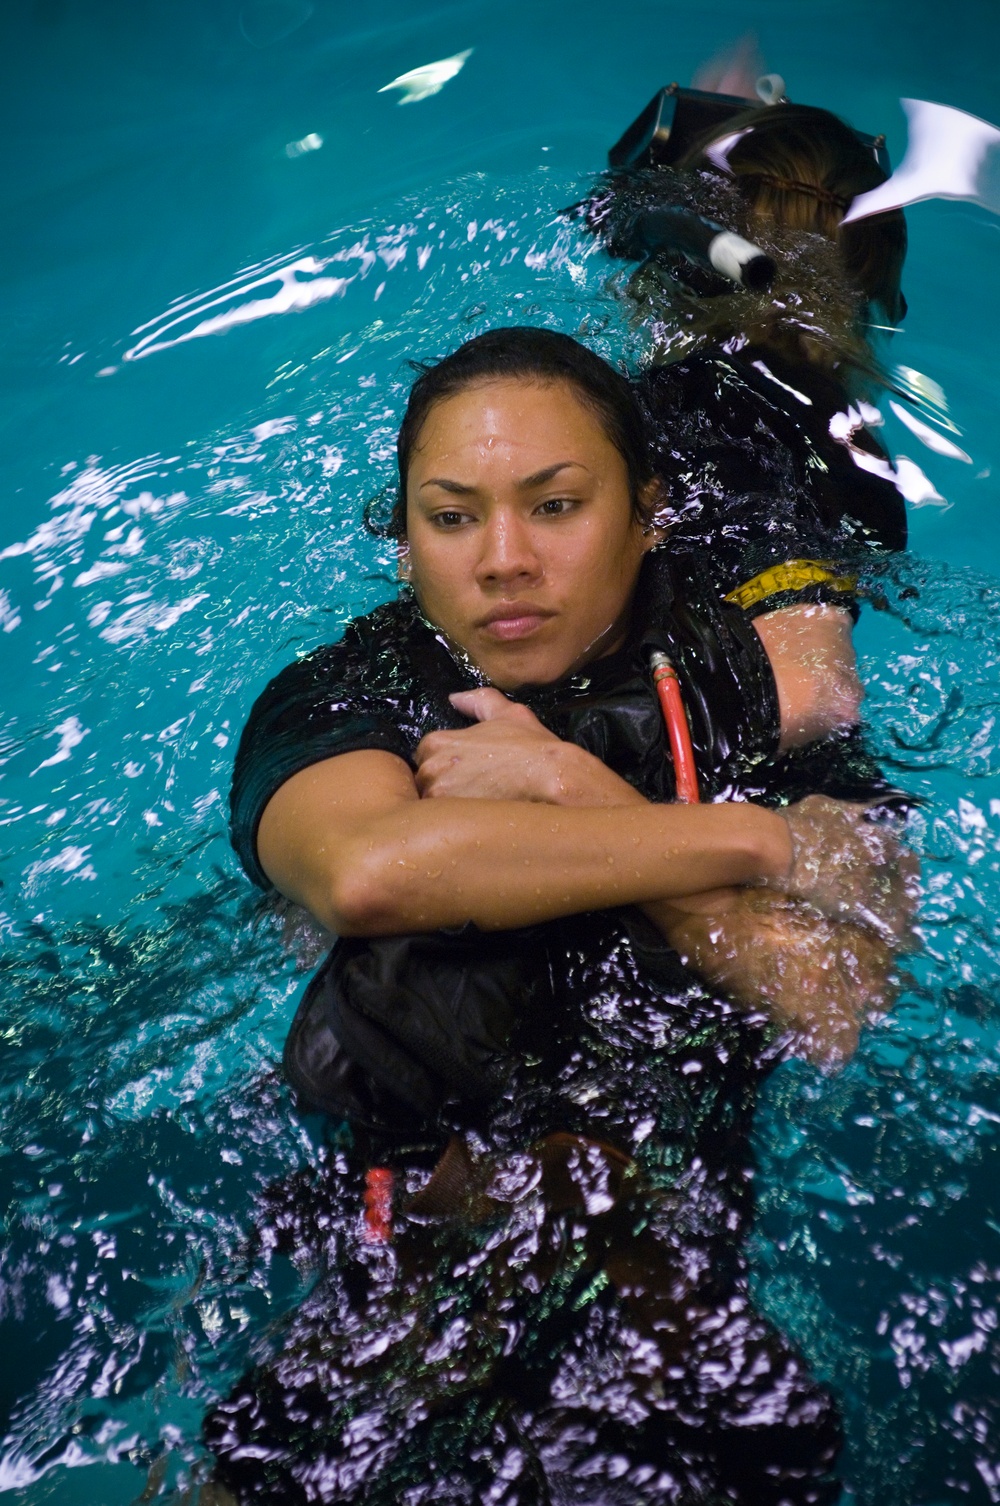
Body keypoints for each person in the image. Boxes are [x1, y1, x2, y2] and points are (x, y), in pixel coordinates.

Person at [207, 328, 914, 1505]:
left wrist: (576, 791)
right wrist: (757, 842)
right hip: (414, 1231)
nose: (502, 561)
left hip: (664, 1235)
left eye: (555, 506)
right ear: (402, 542)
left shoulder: (738, 690)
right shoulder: (341, 697)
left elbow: (834, 1004)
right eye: (449, 517)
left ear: (648, 514)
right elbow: (372, 872)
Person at [578, 90, 912, 752]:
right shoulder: (849, 454)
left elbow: (815, 700)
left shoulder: (661, 409)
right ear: (870, 297)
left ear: (660, 279)